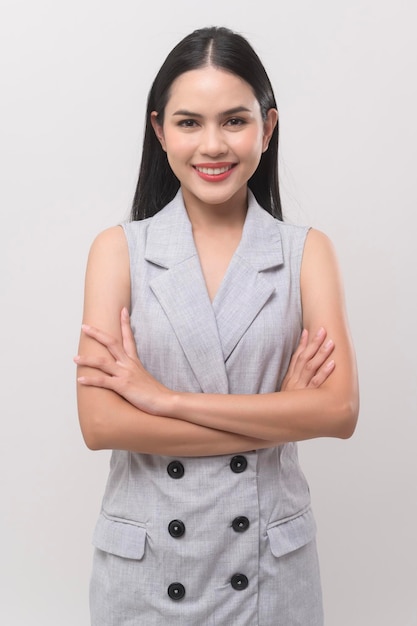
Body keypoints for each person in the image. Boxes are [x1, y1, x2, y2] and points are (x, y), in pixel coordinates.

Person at [74, 26, 359, 626]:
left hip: (268, 575)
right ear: (158, 130)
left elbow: (338, 413)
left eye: (234, 121)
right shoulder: (117, 251)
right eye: (188, 123)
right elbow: (100, 424)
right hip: (145, 575)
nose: (213, 145)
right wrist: (280, 412)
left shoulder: (307, 252)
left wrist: (160, 400)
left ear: (268, 127)